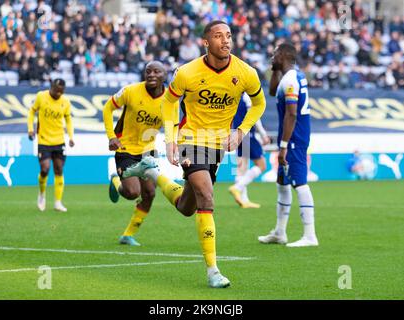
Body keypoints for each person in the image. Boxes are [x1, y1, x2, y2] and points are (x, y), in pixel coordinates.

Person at [122, 21, 266, 288]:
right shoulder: (187, 72)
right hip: (190, 140)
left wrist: (242, 131)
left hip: (217, 146)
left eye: (229, 36)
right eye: (218, 36)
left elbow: (259, 103)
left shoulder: (246, 73)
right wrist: (170, 137)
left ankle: (152, 172)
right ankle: (213, 270)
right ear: (205, 42)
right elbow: (169, 101)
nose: (225, 41)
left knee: (186, 207)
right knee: (207, 195)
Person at [102, 61, 178, 246]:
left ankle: (128, 235)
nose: (151, 74)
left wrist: (172, 145)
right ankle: (116, 180)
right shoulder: (130, 91)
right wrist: (111, 136)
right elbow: (107, 108)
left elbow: (172, 125)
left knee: (150, 193)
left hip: (148, 150)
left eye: (156, 71)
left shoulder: (170, 100)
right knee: (131, 192)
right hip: (125, 148)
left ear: (164, 76)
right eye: (148, 71)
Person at [258, 43, 319, 247]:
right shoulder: (289, 76)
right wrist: (275, 70)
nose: (271, 56)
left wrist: (283, 146)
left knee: (299, 183)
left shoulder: (292, 79)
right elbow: (274, 91)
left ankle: (310, 235)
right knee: (282, 183)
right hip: (291, 137)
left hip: (294, 138)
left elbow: (292, 114)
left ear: (283, 55)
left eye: (275, 53)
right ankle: (279, 232)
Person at [27, 78, 74, 212]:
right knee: (45, 168)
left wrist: (71, 137)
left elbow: (68, 120)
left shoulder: (65, 102)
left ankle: (58, 202)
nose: (58, 94)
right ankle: (42, 195)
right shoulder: (41, 96)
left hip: (59, 140)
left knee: (59, 169)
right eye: (56, 90)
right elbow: (31, 112)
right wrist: (30, 129)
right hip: (44, 140)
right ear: (51, 87)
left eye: (61, 91)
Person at [228, 93, 271, 208]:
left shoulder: (233, 95)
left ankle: (244, 200)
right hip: (247, 134)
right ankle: (237, 187)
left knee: (242, 168)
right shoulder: (247, 96)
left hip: (236, 134)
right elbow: (255, 117)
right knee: (262, 165)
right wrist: (263, 135)